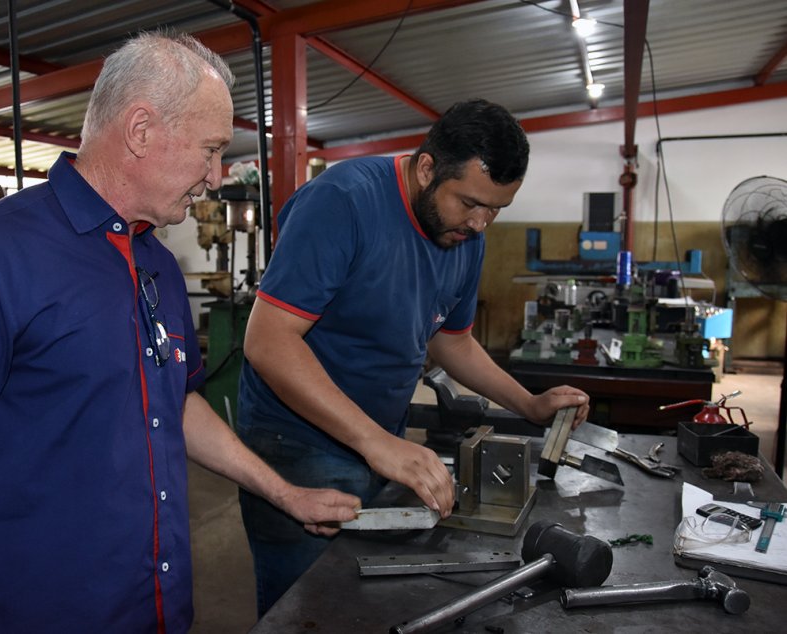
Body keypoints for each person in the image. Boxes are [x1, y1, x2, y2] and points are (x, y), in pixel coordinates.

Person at [0, 31, 360, 633]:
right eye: (210, 150)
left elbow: (176, 405)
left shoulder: (155, 261)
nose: (214, 176)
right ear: (140, 131)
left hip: (154, 610)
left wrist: (284, 493)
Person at [236, 98, 591, 614]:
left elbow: (452, 341)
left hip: (381, 441)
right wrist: (376, 442)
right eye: (469, 203)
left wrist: (529, 405)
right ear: (426, 167)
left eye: (496, 209)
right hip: (298, 443)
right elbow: (268, 341)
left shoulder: (465, 235)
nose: (480, 223)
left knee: (363, 602)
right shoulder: (341, 203)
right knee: (306, 609)